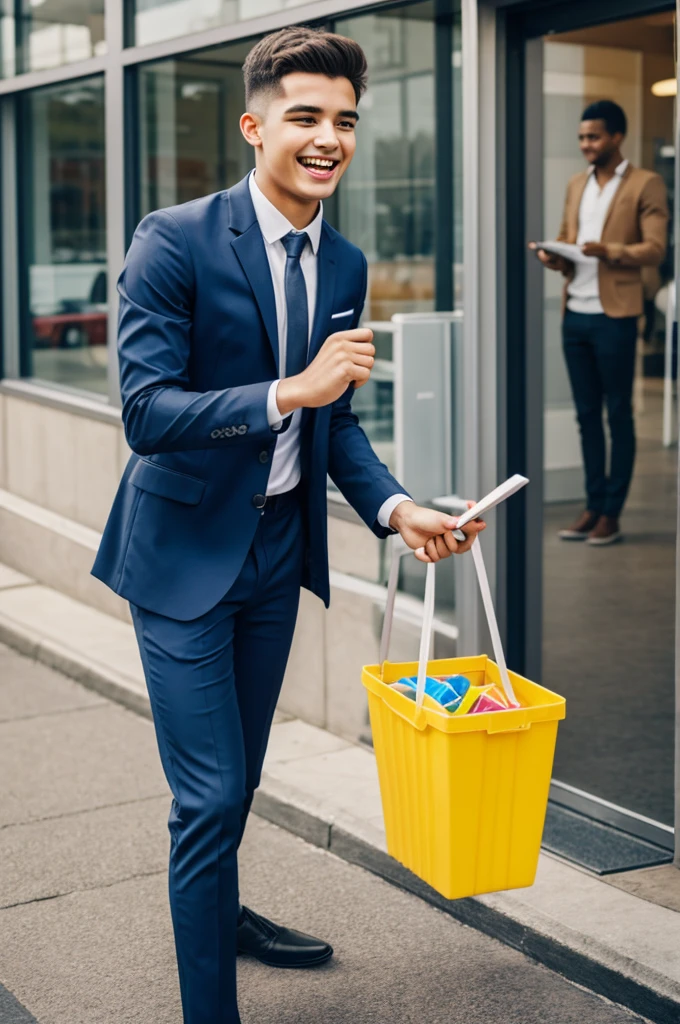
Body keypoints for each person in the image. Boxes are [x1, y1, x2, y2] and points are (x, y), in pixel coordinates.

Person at [92, 26, 484, 1024]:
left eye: (344, 120)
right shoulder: (172, 238)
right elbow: (145, 413)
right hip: (181, 555)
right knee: (211, 795)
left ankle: (218, 910)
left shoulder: (342, 261)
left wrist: (398, 511)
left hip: (274, 552)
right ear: (253, 123)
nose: (327, 138)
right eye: (305, 116)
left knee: (236, 778)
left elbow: (335, 422)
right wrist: (284, 390)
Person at [531, 99, 668, 545]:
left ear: (616, 137)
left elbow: (655, 249)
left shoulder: (646, 183)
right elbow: (571, 243)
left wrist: (606, 250)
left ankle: (612, 512)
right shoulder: (577, 184)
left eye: (593, 137)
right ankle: (591, 507)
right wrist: (556, 256)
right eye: (582, 138)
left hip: (617, 315)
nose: (586, 145)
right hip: (576, 314)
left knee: (618, 415)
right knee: (586, 416)